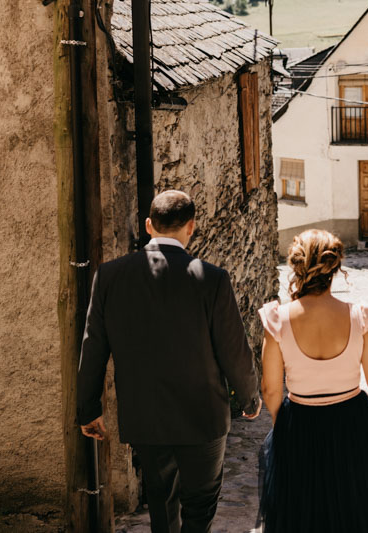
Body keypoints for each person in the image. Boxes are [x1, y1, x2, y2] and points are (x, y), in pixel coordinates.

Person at [77, 190, 260, 533]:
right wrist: (249, 398)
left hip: (147, 416)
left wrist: (88, 409)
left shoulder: (110, 276)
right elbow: (234, 350)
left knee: (161, 504)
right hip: (203, 417)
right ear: (191, 227)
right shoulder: (212, 279)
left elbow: (93, 346)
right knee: (200, 507)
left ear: (149, 225)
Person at [258, 229, 368, 533]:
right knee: (354, 511)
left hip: (300, 422)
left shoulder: (277, 319)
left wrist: (282, 424)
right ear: (336, 268)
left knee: (304, 512)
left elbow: (270, 389)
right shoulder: (360, 316)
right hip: (353, 422)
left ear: (296, 266)